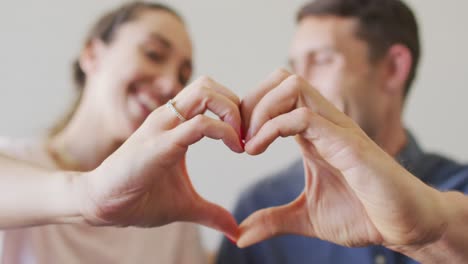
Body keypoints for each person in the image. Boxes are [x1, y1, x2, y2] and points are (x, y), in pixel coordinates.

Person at [217, 0, 468, 263]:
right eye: (295, 66)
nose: (295, 83)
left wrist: (425, 231)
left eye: (323, 60)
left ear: (393, 68)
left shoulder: (461, 187)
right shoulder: (260, 208)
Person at [0, 2, 243, 263]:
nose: (171, 84)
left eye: (183, 77)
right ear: (92, 55)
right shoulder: (14, 164)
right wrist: (90, 193)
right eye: (153, 54)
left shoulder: (167, 211)